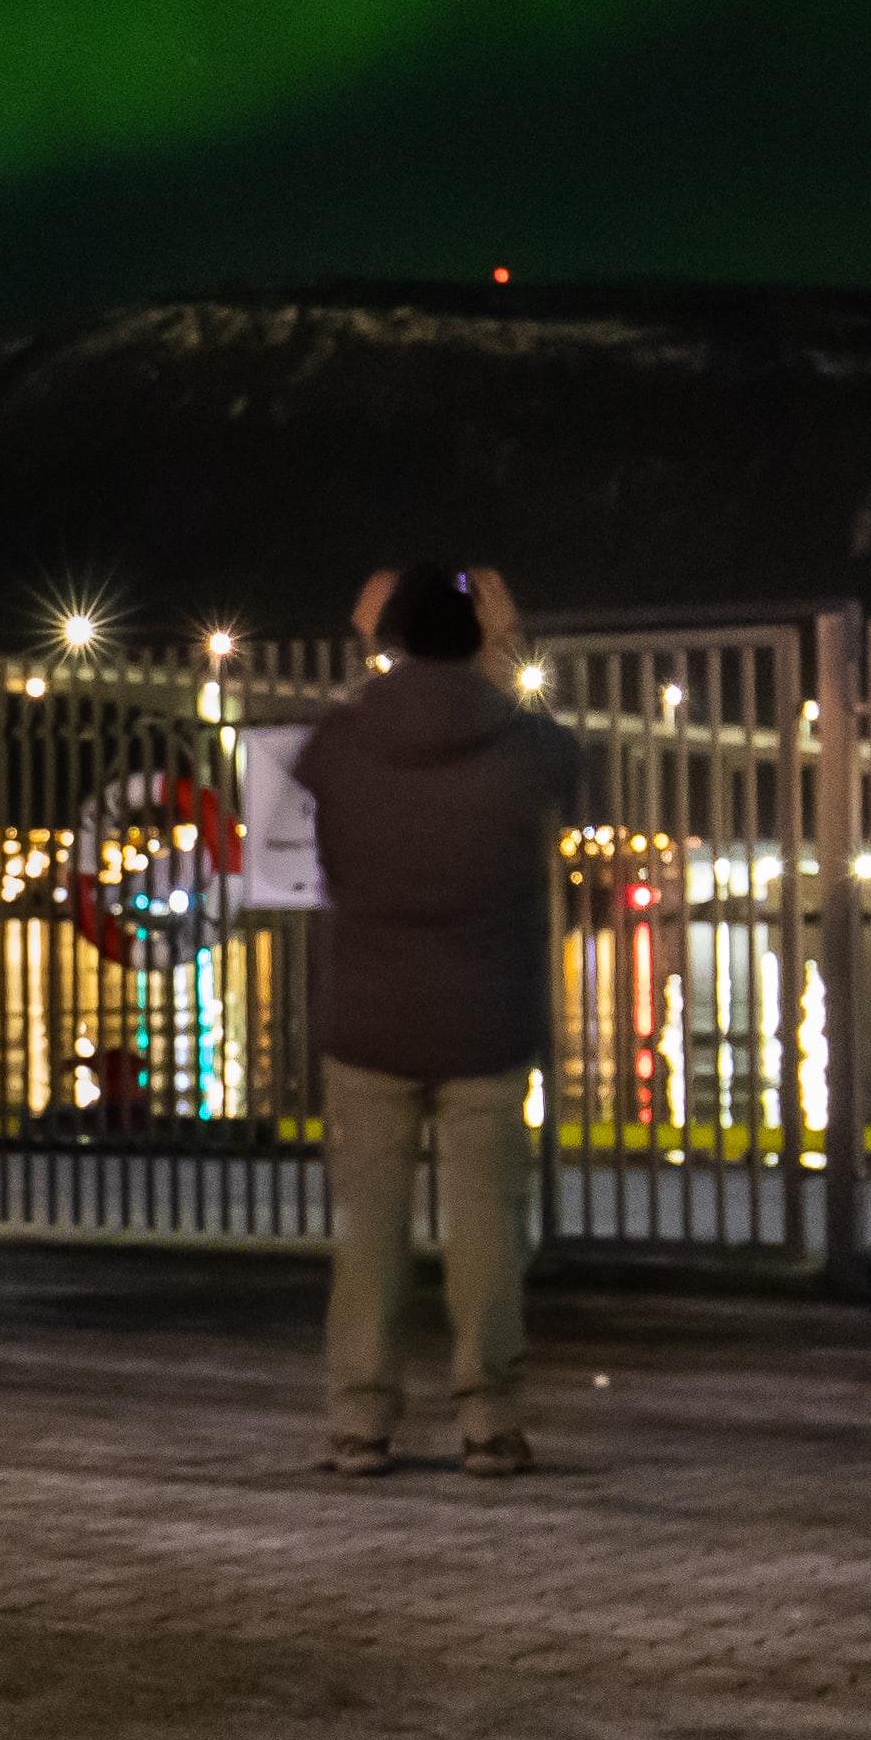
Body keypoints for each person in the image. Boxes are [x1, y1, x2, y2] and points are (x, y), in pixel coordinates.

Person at [289, 562, 579, 1479]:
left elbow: (333, 745)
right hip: (487, 1017)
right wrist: (499, 651)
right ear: (479, 638)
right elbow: (557, 757)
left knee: (366, 1230)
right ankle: (489, 1422)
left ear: (389, 640)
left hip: (368, 1016)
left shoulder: (340, 740)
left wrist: (374, 648)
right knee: (488, 1228)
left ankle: (359, 1424)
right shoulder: (529, 746)